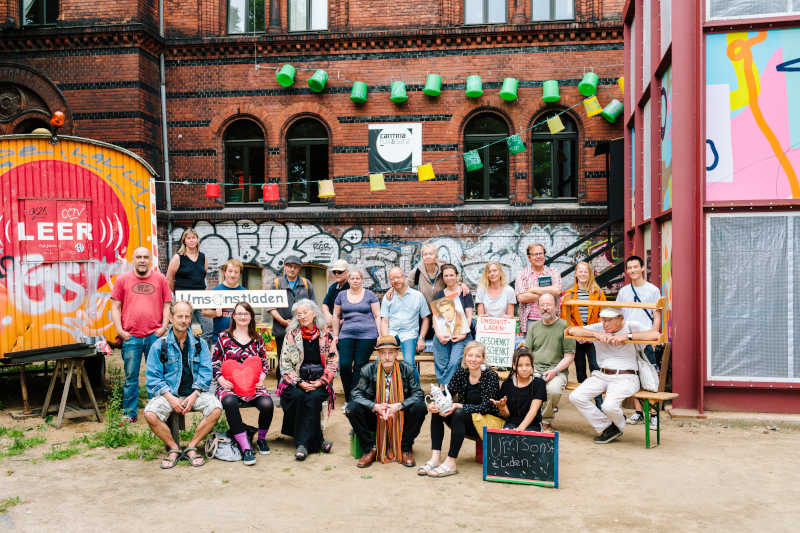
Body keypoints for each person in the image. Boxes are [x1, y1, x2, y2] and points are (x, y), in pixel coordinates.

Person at [143, 301, 222, 469]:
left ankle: (192, 447)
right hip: (169, 394)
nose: (184, 320)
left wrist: (195, 394)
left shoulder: (200, 344)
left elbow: (206, 372)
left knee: (216, 408)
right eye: (179, 316)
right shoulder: (160, 345)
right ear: (171, 318)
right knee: (150, 414)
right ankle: (174, 448)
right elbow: (153, 378)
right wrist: (171, 399)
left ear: (191, 318)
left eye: (187, 316)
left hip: (194, 393)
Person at [568, 307, 659, 443]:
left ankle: (617, 425)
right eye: (603, 320)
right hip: (602, 374)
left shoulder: (631, 326)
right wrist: (596, 335)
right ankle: (607, 427)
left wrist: (627, 336)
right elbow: (572, 330)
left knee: (608, 406)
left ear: (621, 319)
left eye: (609, 320)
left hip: (626, 376)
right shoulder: (600, 328)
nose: (605, 324)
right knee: (576, 396)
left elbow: (655, 335)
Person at [420, 341, 500, 478]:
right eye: (470, 355)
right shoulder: (461, 373)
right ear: (464, 357)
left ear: (483, 359)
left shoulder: (491, 376)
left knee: (458, 411)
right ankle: (435, 457)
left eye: (477, 356)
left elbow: (488, 407)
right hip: (465, 421)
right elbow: (447, 394)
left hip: (485, 423)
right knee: (438, 410)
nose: (473, 359)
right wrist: (435, 403)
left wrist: (459, 405)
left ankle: (451, 462)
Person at [346, 335, 427, 468]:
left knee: (420, 407)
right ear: (378, 354)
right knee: (352, 408)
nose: (387, 357)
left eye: (391, 352)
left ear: (396, 353)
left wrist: (399, 406)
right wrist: (374, 406)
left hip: (400, 414)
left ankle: (405, 448)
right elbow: (355, 393)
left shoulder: (407, 369)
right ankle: (369, 449)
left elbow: (418, 393)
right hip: (376, 416)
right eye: (383, 353)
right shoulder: (368, 370)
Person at [111, 247, 172, 423]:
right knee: (131, 377)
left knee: (157, 376)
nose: (142, 260)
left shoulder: (160, 279)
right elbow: (115, 306)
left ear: (150, 260)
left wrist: (164, 327)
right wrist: (119, 331)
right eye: (139, 257)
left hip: (155, 335)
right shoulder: (123, 280)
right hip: (131, 337)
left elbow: (167, 304)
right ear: (133, 259)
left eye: (146, 257)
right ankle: (130, 414)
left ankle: (157, 413)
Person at [212, 302, 274, 466]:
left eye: (246, 313)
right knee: (229, 402)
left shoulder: (257, 338)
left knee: (267, 404)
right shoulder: (223, 337)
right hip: (229, 386)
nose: (242, 317)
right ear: (233, 316)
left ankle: (261, 438)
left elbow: (264, 363)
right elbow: (215, 363)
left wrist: (261, 378)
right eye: (239, 313)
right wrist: (221, 380)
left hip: (253, 385)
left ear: (251, 316)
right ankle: (245, 446)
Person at [276, 299, 337, 460]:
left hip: (319, 381)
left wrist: (321, 382)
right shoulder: (291, 335)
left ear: (314, 313)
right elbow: (285, 364)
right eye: (299, 314)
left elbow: (332, 362)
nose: (302, 316)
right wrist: (299, 382)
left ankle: (302, 443)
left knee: (315, 396)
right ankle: (317, 441)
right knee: (299, 396)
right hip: (295, 380)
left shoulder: (326, 335)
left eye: (305, 312)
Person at [616, 255, 662, 429]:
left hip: (645, 338)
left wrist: (653, 336)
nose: (633, 270)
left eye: (636, 267)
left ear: (642, 268)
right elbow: (619, 315)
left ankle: (654, 414)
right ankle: (639, 412)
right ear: (627, 271)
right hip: (628, 339)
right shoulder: (623, 292)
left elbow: (657, 315)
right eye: (630, 268)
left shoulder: (653, 290)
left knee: (649, 376)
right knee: (632, 376)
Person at [524, 292, 575, 432]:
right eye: (542, 305)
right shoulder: (534, 327)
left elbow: (569, 356)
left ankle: (545, 422)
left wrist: (555, 371)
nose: (545, 308)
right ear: (538, 307)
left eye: (549, 305)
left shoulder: (566, 327)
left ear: (556, 307)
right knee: (520, 386)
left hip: (557, 371)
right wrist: (529, 371)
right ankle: (526, 420)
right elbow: (527, 353)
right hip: (534, 369)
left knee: (552, 390)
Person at [332, 266, 381, 403]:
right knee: (345, 365)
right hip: (346, 334)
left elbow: (377, 315)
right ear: (348, 280)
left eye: (358, 278)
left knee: (360, 365)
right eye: (352, 278)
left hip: (368, 335)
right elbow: (336, 316)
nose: (355, 281)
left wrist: (380, 335)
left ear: (362, 280)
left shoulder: (370, 295)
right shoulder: (341, 295)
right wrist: (336, 335)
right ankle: (350, 395)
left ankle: (353, 398)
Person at [561, 261, 607, 383]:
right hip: (577, 338)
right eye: (580, 271)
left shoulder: (598, 293)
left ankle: (598, 401)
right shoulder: (569, 295)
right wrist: (577, 335)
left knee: (595, 368)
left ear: (590, 274)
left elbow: (602, 316)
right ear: (576, 274)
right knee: (580, 369)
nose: (582, 274)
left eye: (585, 271)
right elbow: (566, 318)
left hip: (593, 336)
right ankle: (582, 398)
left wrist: (590, 334)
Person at [379, 267, 431, 373]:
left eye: (398, 277)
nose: (396, 281)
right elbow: (384, 320)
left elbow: (426, 318)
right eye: (392, 279)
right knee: (380, 361)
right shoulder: (388, 297)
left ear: (404, 277)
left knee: (409, 363)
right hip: (392, 334)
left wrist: (421, 338)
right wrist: (385, 339)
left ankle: (415, 389)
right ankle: (385, 388)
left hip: (409, 334)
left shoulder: (417, 296)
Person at [268, 255, 316, 367]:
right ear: (284, 267)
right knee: (283, 362)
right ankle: (282, 384)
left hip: (303, 330)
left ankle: (300, 384)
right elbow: (271, 307)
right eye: (289, 266)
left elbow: (313, 306)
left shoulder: (306, 283)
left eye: (295, 267)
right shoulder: (276, 284)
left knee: (302, 360)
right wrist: (283, 321)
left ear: (299, 269)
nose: (292, 269)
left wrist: (307, 322)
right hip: (281, 330)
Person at [165, 228, 211, 344]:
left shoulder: (203, 257)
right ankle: (186, 351)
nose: (191, 240)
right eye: (188, 238)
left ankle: (199, 349)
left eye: (193, 238)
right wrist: (177, 295)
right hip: (184, 297)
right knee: (185, 328)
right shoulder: (178, 257)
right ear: (184, 241)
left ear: (197, 240)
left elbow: (203, 275)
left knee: (209, 327)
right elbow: (169, 278)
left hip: (201, 297)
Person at [431, 264, 474, 386]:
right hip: (443, 333)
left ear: (456, 276)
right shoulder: (439, 294)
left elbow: (469, 315)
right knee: (441, 363)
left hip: (462, 333)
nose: (449, 278)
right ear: (443, 278)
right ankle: (445, 393)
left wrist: (463, 334)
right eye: (446, 275)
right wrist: (438, 334)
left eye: (451, 275)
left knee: (455, 362)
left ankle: (443, 390)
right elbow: (435, 317)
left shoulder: (465, 293)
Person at [491, 346, 547, 431]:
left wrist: (520, 429)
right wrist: (502, 408)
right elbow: (507, 415)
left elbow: (533, 411)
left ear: (532, 365)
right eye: (520, 365)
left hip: (533, 426)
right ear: (514, 366)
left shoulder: (539, 384)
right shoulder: (506, 385)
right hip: (510, 425)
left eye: (527, 365)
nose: (524, 369)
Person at [515, 243, 562, 335]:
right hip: (530, 321)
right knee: (531, 349)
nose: (539, 256)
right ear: (529, 257)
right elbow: (522, 297)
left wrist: (533, 289)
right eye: (535, 254)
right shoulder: (522, 274)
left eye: (541, 253)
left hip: (552, 319)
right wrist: (548, 295)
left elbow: (557, 291)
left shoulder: (553, 272)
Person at [202, 258, 245, 346]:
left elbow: (250, 314)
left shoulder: (244, 292)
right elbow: (204, 311)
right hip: (219, 340)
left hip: (241, 340)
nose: (232, 275)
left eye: (236, 272)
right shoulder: (216, 291)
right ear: (224, 272)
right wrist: (215, 313)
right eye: (230, 271)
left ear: (239, 274)